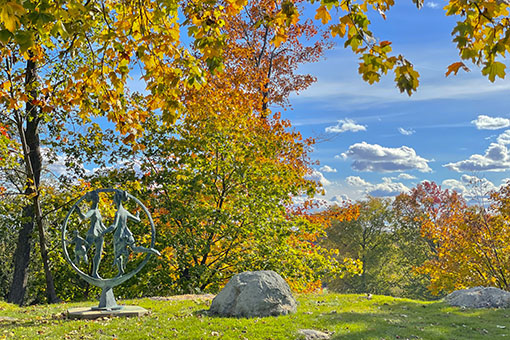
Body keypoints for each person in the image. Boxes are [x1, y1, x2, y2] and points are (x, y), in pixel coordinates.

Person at [102, 190, 160, 276]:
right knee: (134, 248)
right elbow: (137, 220)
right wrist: (137, 215)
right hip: (127, 233)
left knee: (117, 255)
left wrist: (103, 232)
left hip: (119, 235)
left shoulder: (118, 213)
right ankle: (149, 250)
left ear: (117, 199)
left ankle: (120, 271)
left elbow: (114, 226)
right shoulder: (125, 212)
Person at [76, 190, 107, 278]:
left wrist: (109, 229)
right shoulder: (93, 210)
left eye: (98, 197)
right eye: (96, 197)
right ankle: (77, 253)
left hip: (100, 234)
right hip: (93, 233)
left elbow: (101, 224)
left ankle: (95, 273)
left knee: (99, 253)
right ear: (93, 199)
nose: (98, 199)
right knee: (85, 248)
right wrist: (79, 212)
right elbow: (84, 217)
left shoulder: (98, 211)